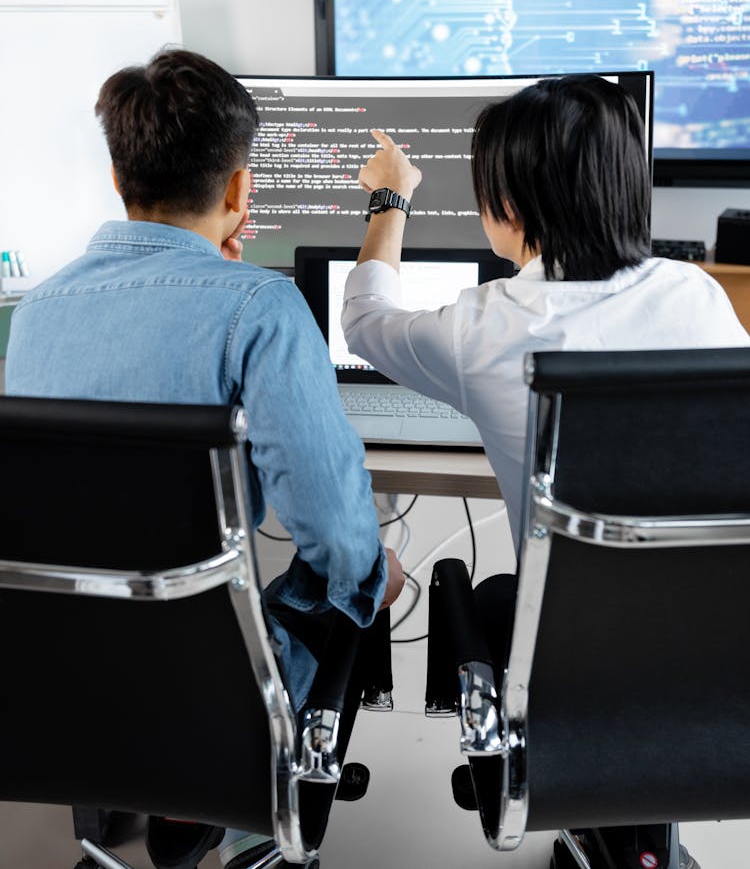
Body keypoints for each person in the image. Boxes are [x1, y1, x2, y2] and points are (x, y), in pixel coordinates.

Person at [5, 47, 404, 869]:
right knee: (357, 572)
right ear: (237, 189)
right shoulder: (260, 307)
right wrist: (375, 575)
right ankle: (223, 803)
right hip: (212, 698)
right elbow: (332, 530)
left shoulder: (35, 313)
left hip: (62, 685)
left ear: (119, 181)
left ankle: (143, 795)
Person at [341, 74, 748, 869]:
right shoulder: (697, 295)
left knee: (491, 594)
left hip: (570, 666)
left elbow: (364, 318)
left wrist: (390, 199)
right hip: (715, 656)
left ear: (512, 207)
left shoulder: (485, 325)